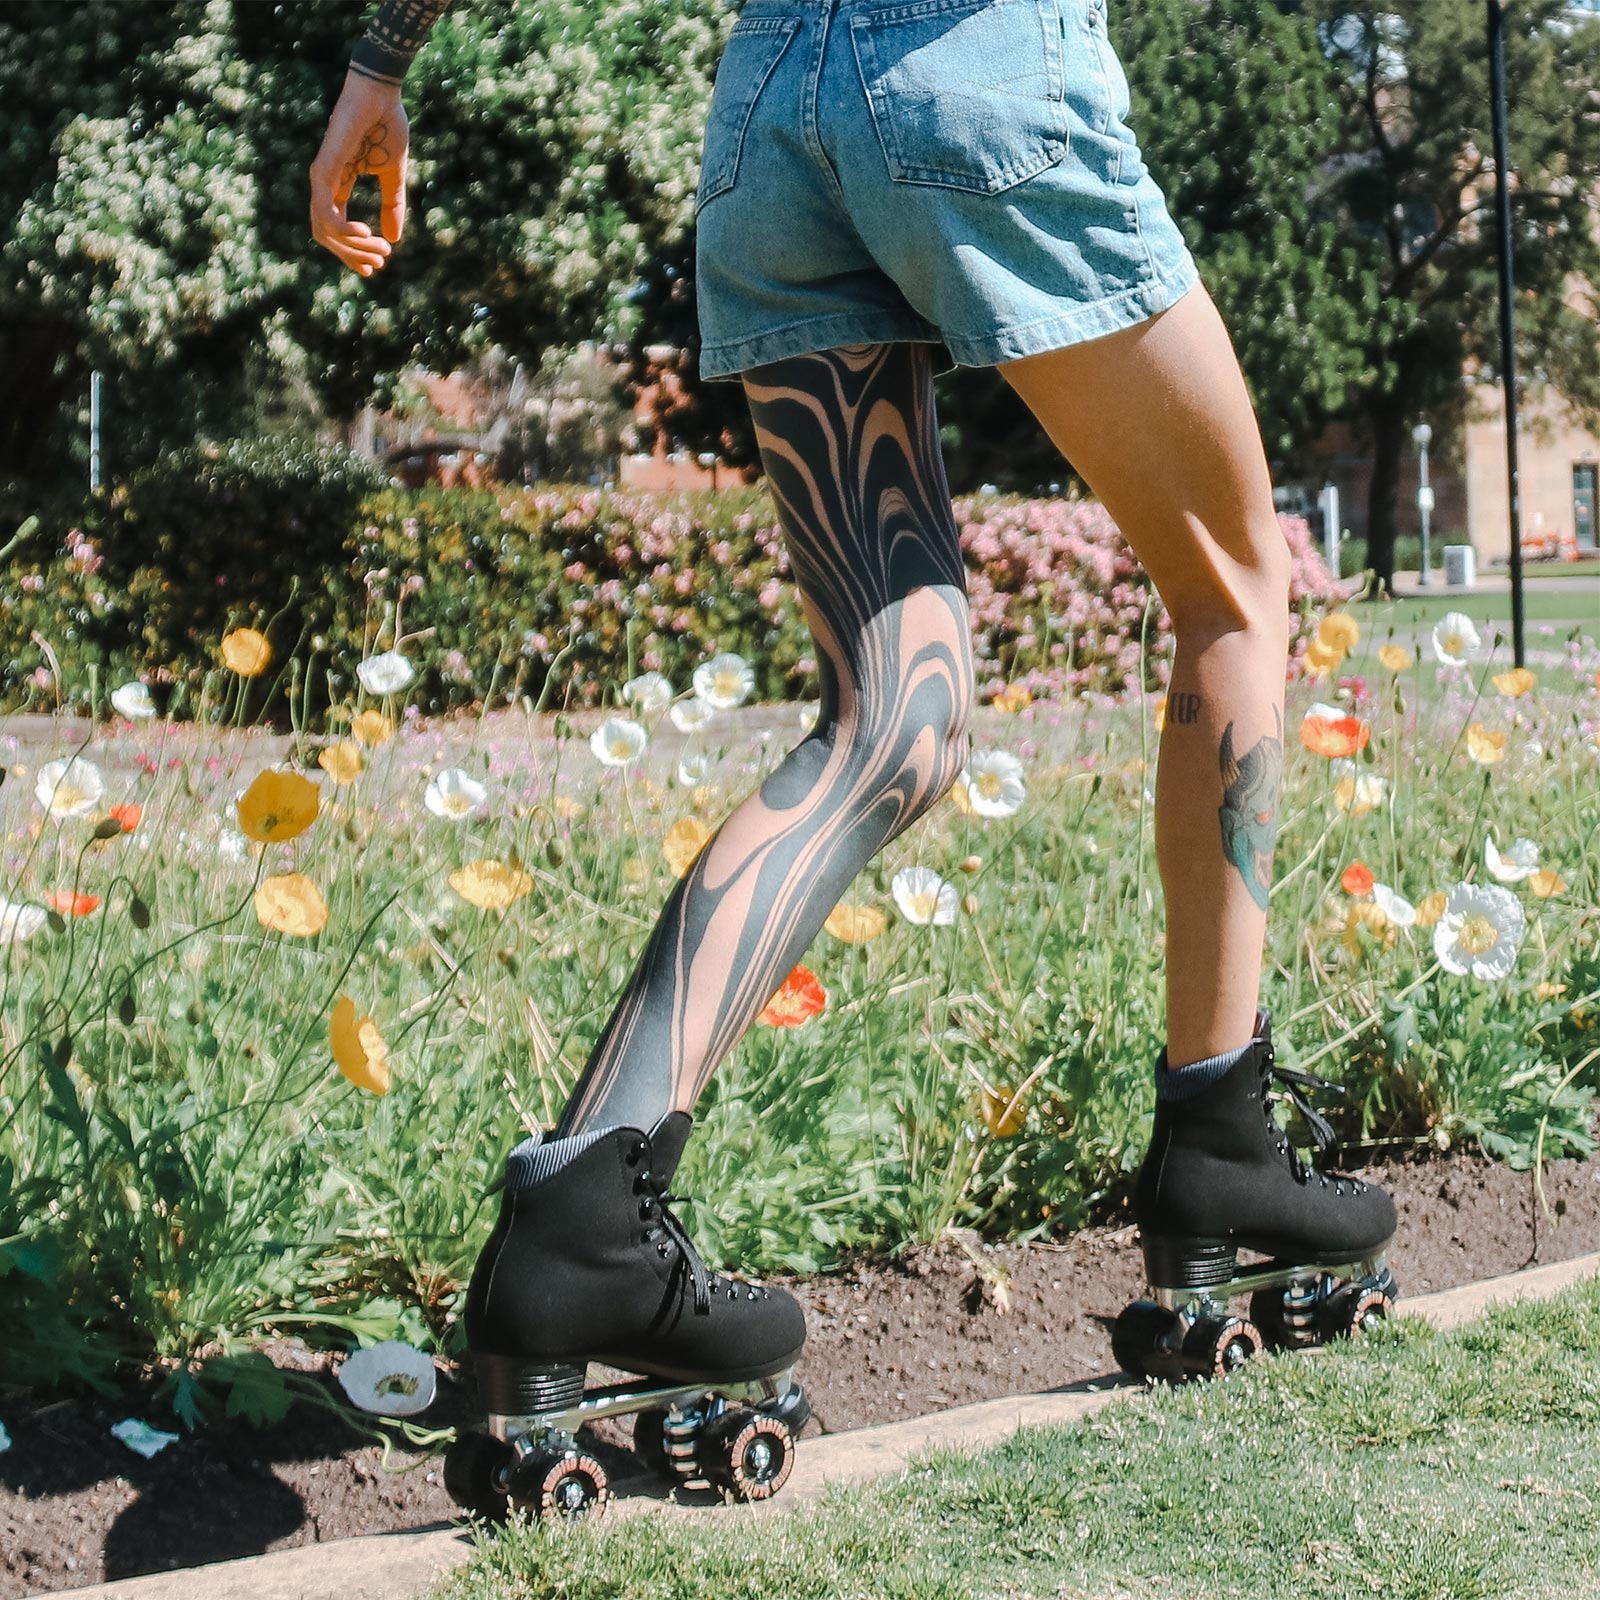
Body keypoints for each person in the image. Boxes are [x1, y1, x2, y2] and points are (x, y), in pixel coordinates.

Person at [311, 0, 1395, 1448]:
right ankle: (1223, 1141)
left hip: (771, 106)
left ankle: (582, 1225)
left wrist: (379, 65)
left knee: (896, 712)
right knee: (1234, 590)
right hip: (980, 79)